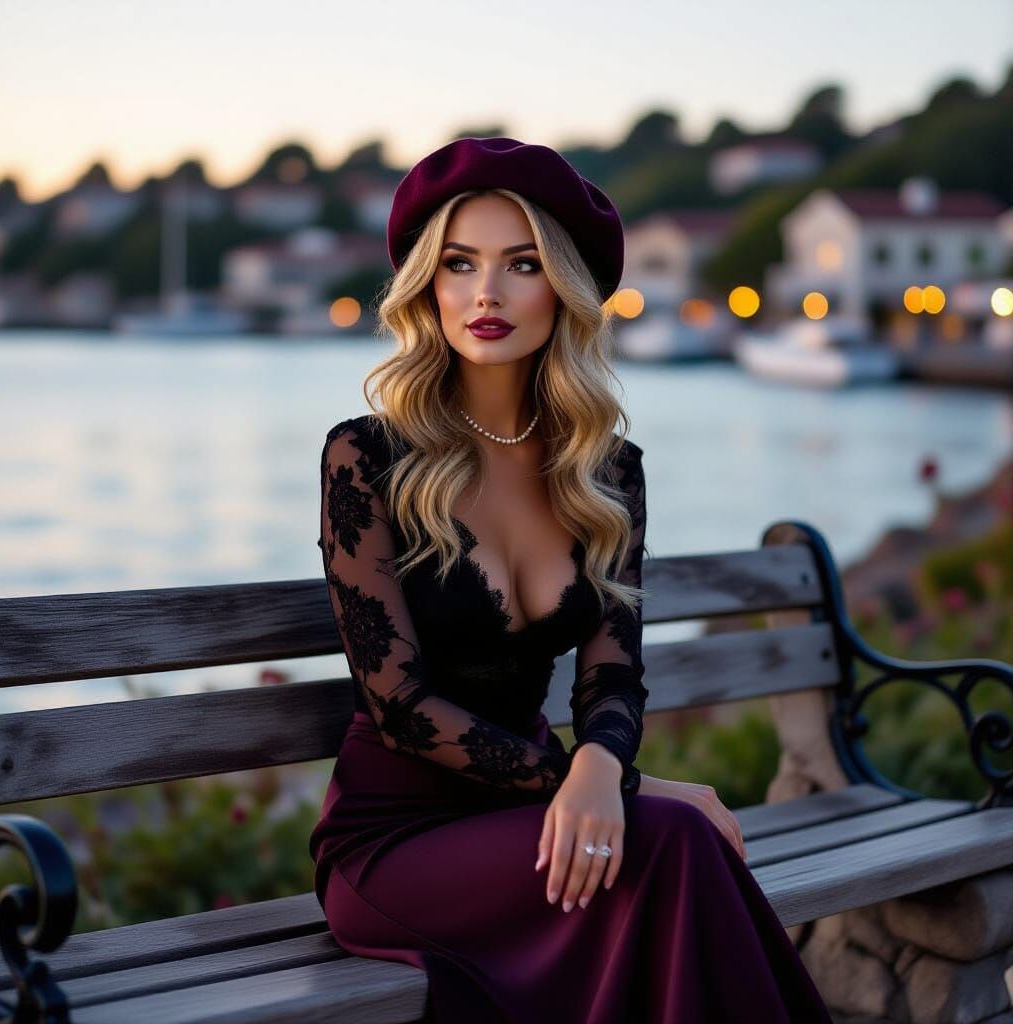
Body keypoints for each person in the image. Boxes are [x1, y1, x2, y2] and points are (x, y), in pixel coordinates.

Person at [309, 137, 833, 1023]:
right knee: (671, 837)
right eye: (459, 264)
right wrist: (610, 781)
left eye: (521, 265)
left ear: (565, 287)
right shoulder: (366, 456)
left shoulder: (608, 470)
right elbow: (398, 703)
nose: (485, 294)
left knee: (673, 850)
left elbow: (613, 673)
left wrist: (603, 765)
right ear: (426, 287)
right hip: (396, 839)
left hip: (538, 818)